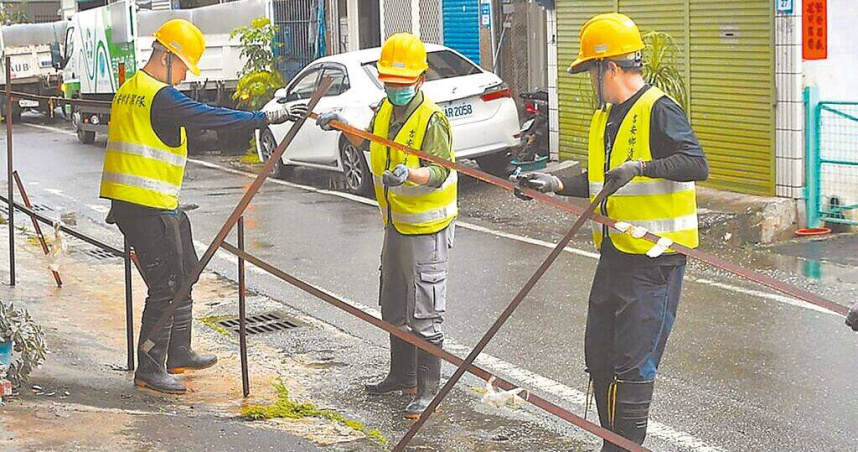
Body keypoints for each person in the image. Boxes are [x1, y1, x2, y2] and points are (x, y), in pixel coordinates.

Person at [512, 13, 708, 450]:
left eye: (591, 71)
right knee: (599, 355)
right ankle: (610, 440)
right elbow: (602, 180)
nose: (590, 80)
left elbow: (696, 163)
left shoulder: (659, 109)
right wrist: (557, 183)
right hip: (615, 253)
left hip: (654, 260)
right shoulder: (606, 118)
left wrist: (643, 167)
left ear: (612, 68)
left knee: (633, 363)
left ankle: (624, 447)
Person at [99, 19, 304, 395]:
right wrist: (263, 117)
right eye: (181, 67)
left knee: (186, 272)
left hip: (148, 202)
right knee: (166, 285)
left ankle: (178, 351)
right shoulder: (161, 95)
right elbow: (209, 115)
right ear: (166, 57)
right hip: (146, 206)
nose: (182, 76)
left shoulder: (131, 89)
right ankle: (149, 366)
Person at [316, 33, 456, 419]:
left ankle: (428, 389)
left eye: (401, 83)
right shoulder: (384, 111)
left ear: (420, 80)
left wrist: (410, 174)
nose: (394, 88)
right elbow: (368, 142)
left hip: (427, 229)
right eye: (389, 82)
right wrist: (343, 124)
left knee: (424, 311)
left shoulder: (433, 120)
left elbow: (441, 170)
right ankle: (403, 375)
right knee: (394, 303)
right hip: (395, 224)